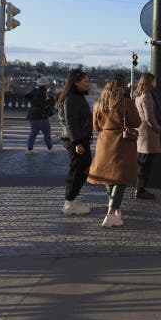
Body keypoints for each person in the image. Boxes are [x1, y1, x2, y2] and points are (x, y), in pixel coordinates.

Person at [88, 76, 141, 228]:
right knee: (120, 177)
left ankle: (115, 210)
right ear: (122, 88)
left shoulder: (98, 104)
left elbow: (96, 127)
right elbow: (137, 122)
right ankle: (111, 213)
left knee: (108, 176)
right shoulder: (126, 103)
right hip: (121, 142)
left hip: (104, 141)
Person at [57, 69, 93, 216]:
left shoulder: (77, 96)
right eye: (85, 81)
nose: (88, 83)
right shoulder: (71, 98)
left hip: (80, 139)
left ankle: (73, 197)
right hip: (75, 140)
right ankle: (69, 202)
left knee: (84, 168)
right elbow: (71, 122)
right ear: (76, 82)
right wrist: (77, 142)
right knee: (77, 170)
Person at [134, 72, 161, 200]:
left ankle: (140, 188)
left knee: (141, 162)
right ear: (150, 82)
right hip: (148, 133)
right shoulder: (147, 96)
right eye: (154, 81)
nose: (155, 83)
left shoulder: (138, 95)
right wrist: (158, 128)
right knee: (146, 163)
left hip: (141, 132)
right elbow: (149, 117)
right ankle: (140, 189)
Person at [25, 76, 54, 154]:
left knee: (33, 133)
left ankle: (29, 149)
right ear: (45, 85)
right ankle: (50, 148)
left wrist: (33, 102)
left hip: (32, 116)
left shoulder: (35, 91)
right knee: (47, 134)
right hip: (42, 116)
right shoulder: (44, 94)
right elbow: (46, 105)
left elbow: (27, 96)